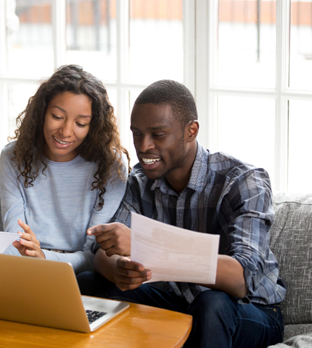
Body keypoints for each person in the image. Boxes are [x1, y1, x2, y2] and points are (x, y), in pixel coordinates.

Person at [77, 80, 286, 347]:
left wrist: (145, 245)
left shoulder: (243, 181)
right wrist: (117, 267)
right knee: (90, 283)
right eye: (137, 134)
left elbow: (241, 279)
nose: (144, 146)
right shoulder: (139, 182)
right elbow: (101, 252)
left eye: (158, 134)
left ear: (191, 131)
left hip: (249, 311)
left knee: (212, 304)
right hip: (182, 305)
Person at [0, 64, 129, 274]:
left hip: (77, 274)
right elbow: (15, 240)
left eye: (80, 123)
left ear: (93, 126)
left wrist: (43, 257)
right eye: (57, 117)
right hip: (23, 267)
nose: (66, 131)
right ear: (42, 113)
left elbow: (92, 256)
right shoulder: (13, 157)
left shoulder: (112, 166)